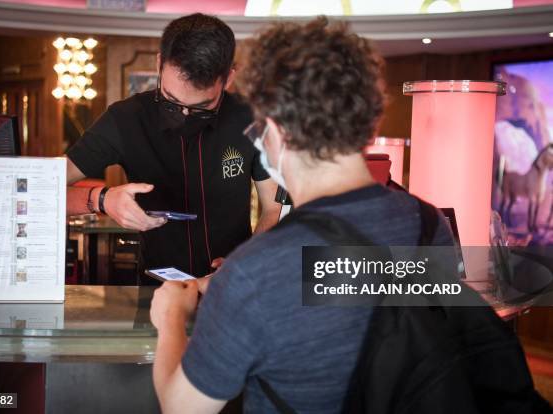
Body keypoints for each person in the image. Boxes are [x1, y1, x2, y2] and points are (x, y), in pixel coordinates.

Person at [150, 18, 456, 413]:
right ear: (371, 121)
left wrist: (172, 317)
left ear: (274, 131)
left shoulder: (253, 270)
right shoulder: (431, 226)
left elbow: (182, 408)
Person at [66, 14, 280, 278]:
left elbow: (275, 207)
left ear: (228, 79)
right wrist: (101, 199)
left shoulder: (250, 118)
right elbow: (37, 188)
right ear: (159, 63)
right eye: (171, 101)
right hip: (155, 294)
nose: (185, 116)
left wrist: (248, 258)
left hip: (233, 285)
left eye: (202, 107)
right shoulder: (126, 118)